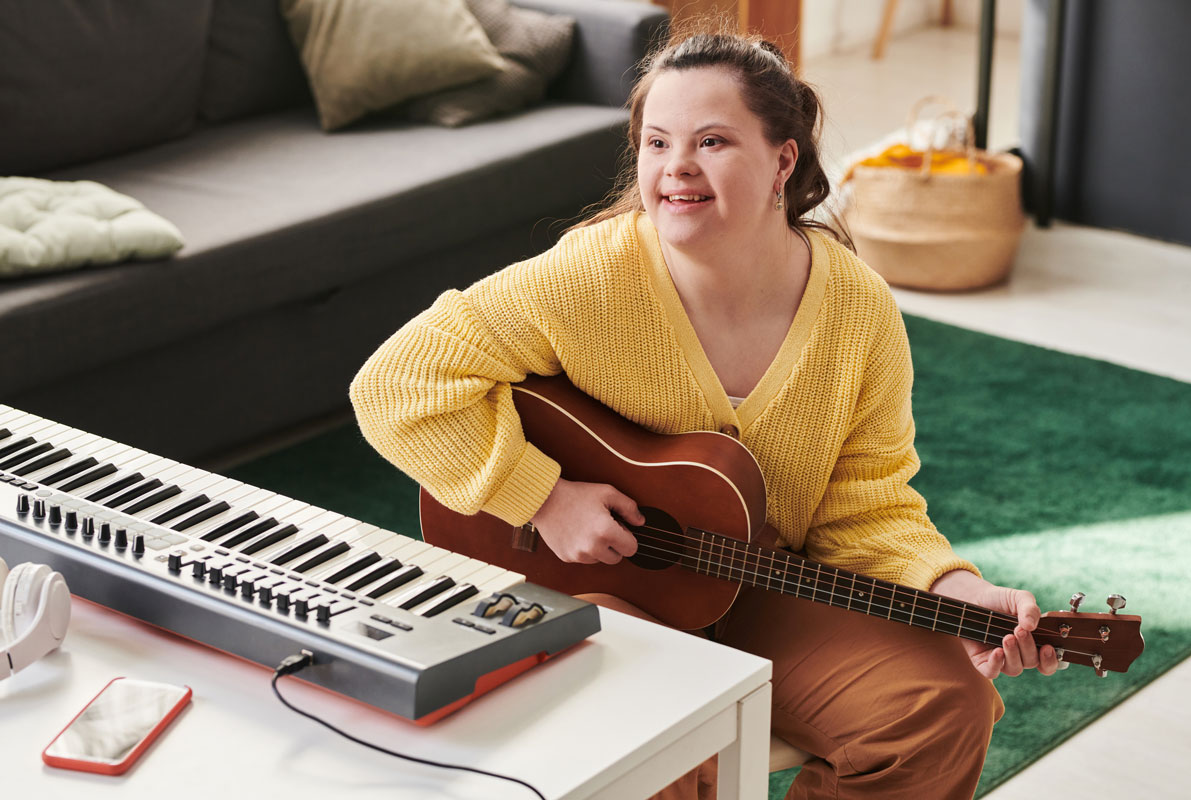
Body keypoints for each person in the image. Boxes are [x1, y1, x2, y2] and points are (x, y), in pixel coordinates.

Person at [350, 28, 1059, 800]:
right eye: (657, 142)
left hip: (760, 584)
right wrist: (542, 496)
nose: (675, 168)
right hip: (592, 590)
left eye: (711, 141)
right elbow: (395, 384)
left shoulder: (858, 309)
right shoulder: (591, 274)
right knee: (673, 739)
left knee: (943, 709)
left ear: (784, 159)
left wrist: (954, 591)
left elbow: (867, 505)